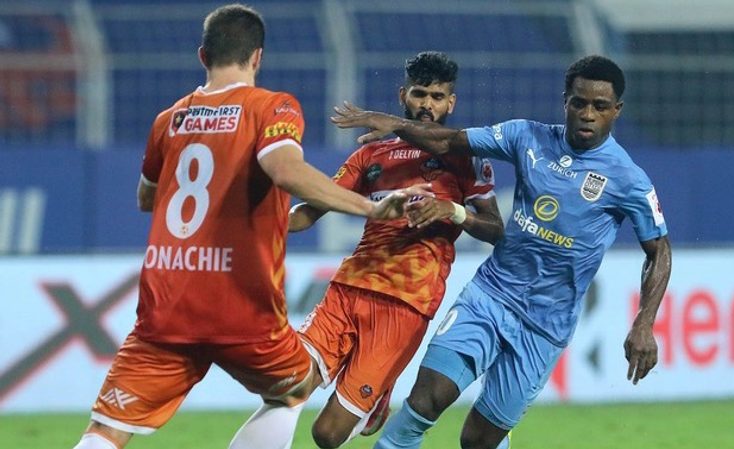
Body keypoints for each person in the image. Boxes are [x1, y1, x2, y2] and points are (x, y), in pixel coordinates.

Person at [70, 5, 429, 449]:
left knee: (107, 429)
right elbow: (285, 170)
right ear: (257, 57)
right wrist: (370, 208)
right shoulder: (272, 107)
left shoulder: (169, 120)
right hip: (241, 307)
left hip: (166, 306)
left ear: (203, 55)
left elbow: (148, 198)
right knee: (293, 391)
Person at [331, 55, 673, 449]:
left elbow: (659, 250)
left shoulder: (628, 179)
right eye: (579, 103)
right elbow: (449, 140)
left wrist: (644, 321)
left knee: (478, 441)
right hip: (489, 297)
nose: (587, 114)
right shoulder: (526, 136)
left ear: (617, 110)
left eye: (600, 106)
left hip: (545, 326)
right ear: (566, 101)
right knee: (425, 402)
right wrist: (395, 124)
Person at [286, 51, 504, 449]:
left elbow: (496, 231)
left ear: (451, 103)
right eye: (419, 94)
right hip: (349, 287)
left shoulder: (464, 158)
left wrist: (454, 212)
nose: (427, 105)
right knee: (288, 387)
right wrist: (254, 225)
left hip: (405, 304)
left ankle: (378, 395)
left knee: (327, 435)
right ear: (403, 95)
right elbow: (309, 212)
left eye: (437, 97)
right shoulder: (369, 156)